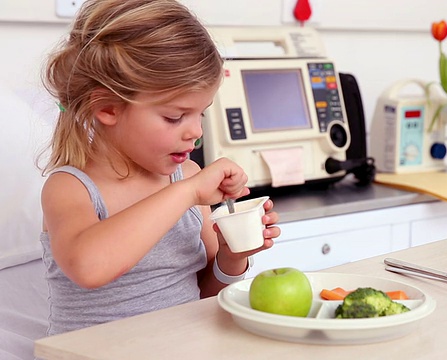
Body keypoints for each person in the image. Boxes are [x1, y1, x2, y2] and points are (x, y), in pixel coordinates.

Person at [38, 0, 279, 336]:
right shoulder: (71, 187)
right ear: (108, 108)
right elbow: (88, 266)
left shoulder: (188, 178)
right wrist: (187, 193)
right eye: (174, 117)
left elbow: (207, 294)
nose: (195, 132)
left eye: (201, 114)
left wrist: (231, 256)